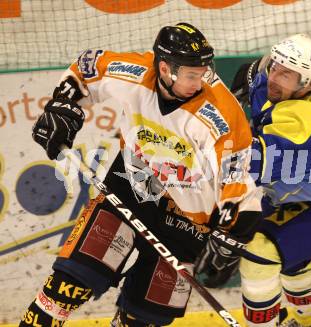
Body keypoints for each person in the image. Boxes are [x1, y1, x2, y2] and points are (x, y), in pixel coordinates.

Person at [20, 22, 262, 327]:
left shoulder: (221, 116)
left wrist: (232, 239)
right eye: (191, 74)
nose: (199, 80)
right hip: (132, 188)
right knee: (66, 286)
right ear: (164, 68)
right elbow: (86, 68)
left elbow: (238, 185)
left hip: (188, 222)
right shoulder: (135, 73)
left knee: (142, 321)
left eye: (203, 72)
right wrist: (62, 106)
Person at [230, 34, 311, 327]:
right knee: (292, 255)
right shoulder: (301, 80)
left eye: (286, 74)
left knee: (259, 252)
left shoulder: (299, 125)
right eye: (274, 65)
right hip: (296, 188)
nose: (274, 77)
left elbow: (240, 168)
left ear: (307, 84)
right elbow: (263, 72)